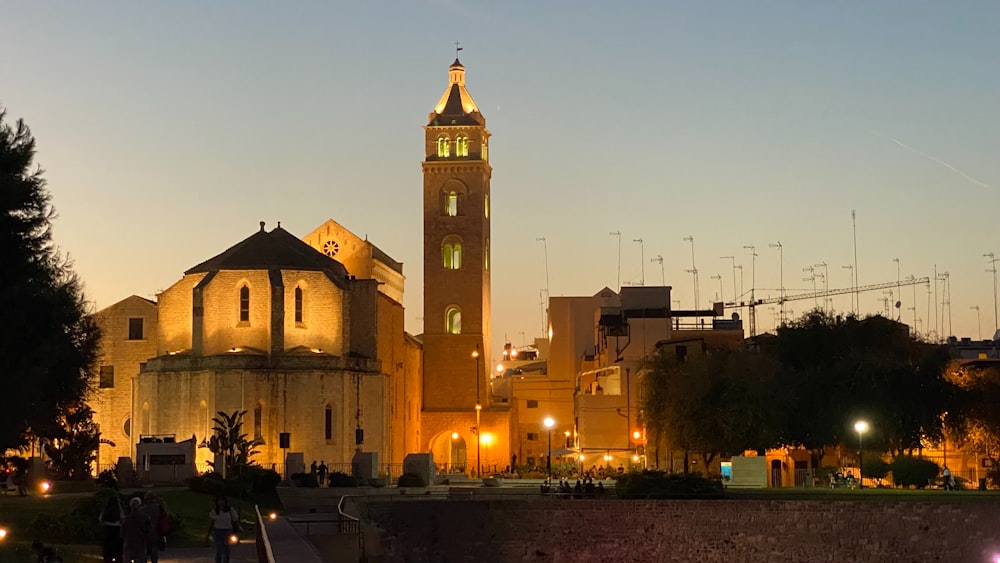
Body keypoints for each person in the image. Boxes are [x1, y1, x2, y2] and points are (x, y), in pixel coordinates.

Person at [208, 495, 239, 563]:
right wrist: (208, 534)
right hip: (217, 532)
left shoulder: (230, 510)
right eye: (219, 501)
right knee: (218, 550)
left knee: (225, 550)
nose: (221, 502)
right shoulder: (215, 511)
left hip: (227, 531)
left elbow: (235, 521)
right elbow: (211, 522)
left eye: (222, 501)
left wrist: (236, 533)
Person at [139, 492, 168, 562]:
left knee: (144, 551)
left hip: (144, 533)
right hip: (156, 532)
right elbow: (163, 519)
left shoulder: (141, 509)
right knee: (154, 551)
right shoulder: (159, 508)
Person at [121, 497, 151, 563]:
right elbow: (148, 531)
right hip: (140, 542)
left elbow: (122, 532)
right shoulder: (144, 518)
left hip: (129, 542)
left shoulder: (126, 519)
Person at [99, 494, 124, 563]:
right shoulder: (118, 511)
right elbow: (123, 519)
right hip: (117, 533)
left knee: (108, 556)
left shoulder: (106, 511)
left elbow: (100, 520)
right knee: (118, 555)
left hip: (108, 534)